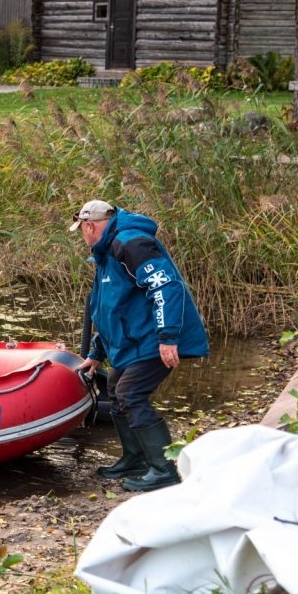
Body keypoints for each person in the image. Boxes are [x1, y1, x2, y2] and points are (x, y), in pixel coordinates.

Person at [71, 200, 209, 492]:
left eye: (81, 230)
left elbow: (166, 286)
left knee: (130, 393)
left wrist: (168, 337)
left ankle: (164, 470)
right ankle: (136, 458)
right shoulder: (107, 252)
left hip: (155, 338)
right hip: (134, 340)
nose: (82, 236)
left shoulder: (131, 244)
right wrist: (97, 354)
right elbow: (110, 309)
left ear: (89, 226)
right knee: (117, 390)